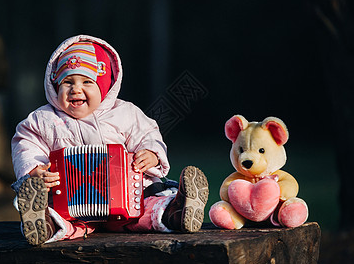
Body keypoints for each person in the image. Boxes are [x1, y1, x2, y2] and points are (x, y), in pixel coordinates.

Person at [11, 34, 209, 245]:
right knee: (63, 220)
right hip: (70, 204)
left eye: (87, 81)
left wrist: (152, 154)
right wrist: (34, 169)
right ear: (55, 86)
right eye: (67, 82)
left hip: (127, 200)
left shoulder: (125, 113)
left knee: (147, 210)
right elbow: (26, 143)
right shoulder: (44, 119)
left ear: (104, 87)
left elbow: (148, 134)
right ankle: (43, 222)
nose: (75, 89)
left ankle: (177, 211)